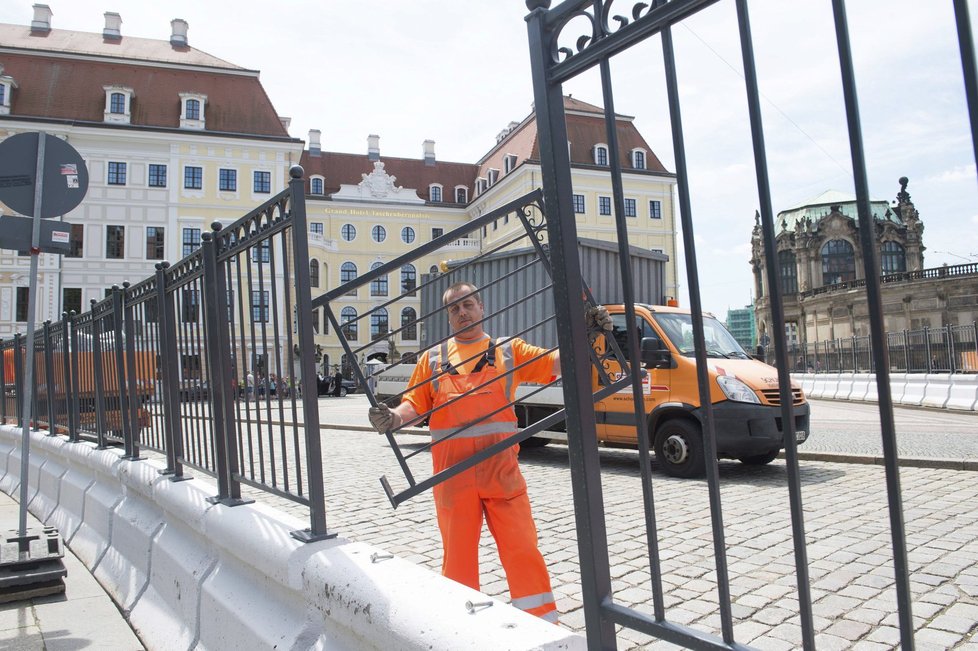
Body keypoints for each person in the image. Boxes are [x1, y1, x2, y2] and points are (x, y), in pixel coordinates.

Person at [368, 282, 610, 623]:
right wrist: (391, 417)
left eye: (467, 304)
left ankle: (541, 624)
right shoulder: (432, 359)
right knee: (458, 560)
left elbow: (556, 363)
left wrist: (586, 334)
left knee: (522, 549)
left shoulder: (508, 350)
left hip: (501, 473)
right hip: (453, 477)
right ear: (448, 317)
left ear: (481, 308)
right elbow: (414, 406)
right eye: (454, 308)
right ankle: (462, 627)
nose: (462, 312)